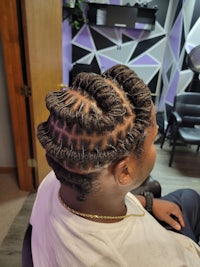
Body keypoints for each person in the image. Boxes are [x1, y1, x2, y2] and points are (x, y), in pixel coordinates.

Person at [30, 64, 200, 266]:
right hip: (180, 249)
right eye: (153, 141)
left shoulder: (56, 180)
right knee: (191, 200)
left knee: (189, 198)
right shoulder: (140, 259)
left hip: (139, 218)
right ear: (125, 172)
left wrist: (148, 202)